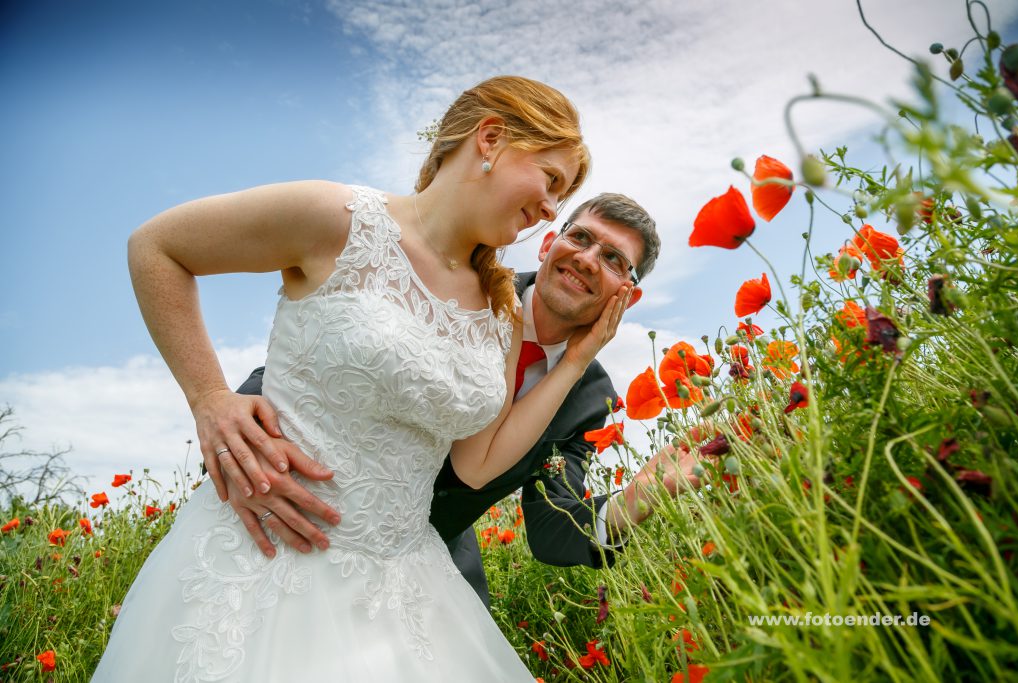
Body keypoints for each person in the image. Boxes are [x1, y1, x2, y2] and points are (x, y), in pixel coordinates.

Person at [92, 76, 630, 682]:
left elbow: (478, 464)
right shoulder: (338, 218)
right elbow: (157, 247)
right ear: (492, 138)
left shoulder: (500, 306)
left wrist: (580, 361)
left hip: (407, 591)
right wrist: (210, 397)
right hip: (265, 558)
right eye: (551, 181)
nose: (552, 210)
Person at [222, 193, 705, 608]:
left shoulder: (590, 401)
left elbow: (553, 527)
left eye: (615, 259)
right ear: (547, 242)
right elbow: (343, 349)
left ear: (628, 296)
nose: (586, 258)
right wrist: (232, 415)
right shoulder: (465, 285)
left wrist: (641, 495)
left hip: (429, 561)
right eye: (580, 237)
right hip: (291, 516)